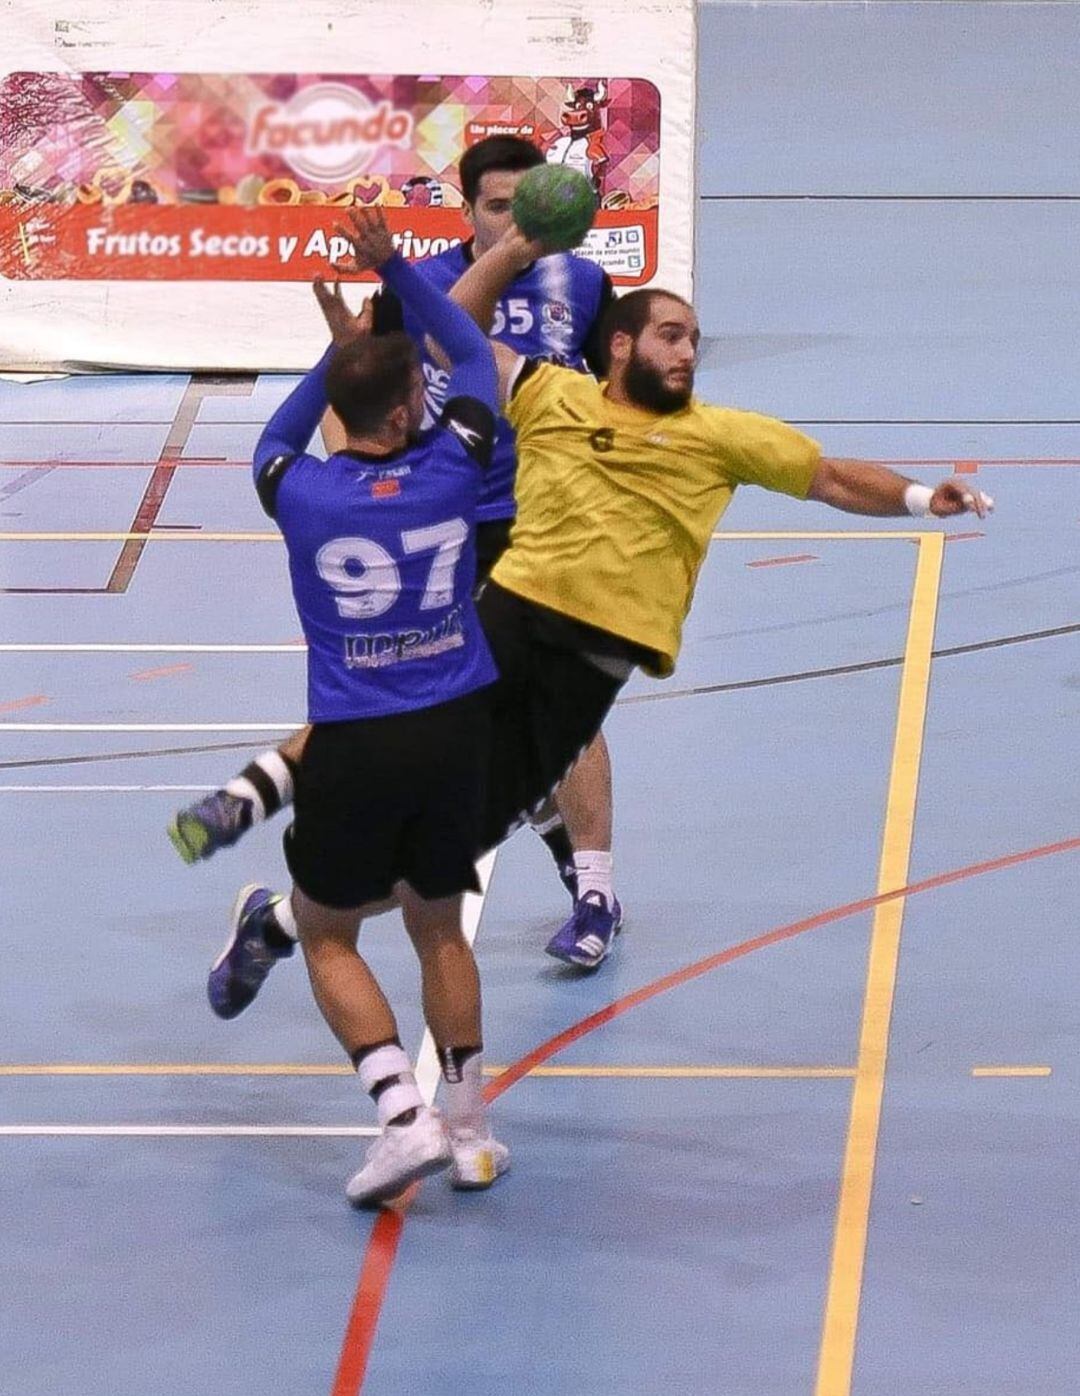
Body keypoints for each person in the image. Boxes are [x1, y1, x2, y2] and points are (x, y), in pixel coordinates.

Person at [214, 208, 994, 1031]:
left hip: (594, 666)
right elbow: (462, 335)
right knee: (406, 782)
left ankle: (276, 923)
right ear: (620, 346)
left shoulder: (726, 437)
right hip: (512, 618)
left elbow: (831, 478)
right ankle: (269, 805)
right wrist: (449, 264)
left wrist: (916, 496)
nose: (688, 351)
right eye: (670, 334)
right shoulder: (554, 394)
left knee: (432, 863)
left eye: (694, 338)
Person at [169, 135, 626, 960]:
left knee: (561, 713)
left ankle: (594, 891)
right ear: (468, 212)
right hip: (444, 530)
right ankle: (277, 890)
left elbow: (613, 407)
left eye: (530, 206)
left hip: (551, 524)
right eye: (499, 207)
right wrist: (349, 495)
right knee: (421, 712)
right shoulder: (419, 291)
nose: (515, 223)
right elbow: (362, 391)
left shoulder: (586, 285)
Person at [216, 211, 520, 1206]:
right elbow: (470, 348)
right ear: (409, 413)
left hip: (356, 738)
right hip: (457, 730)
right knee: (442, 925)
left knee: (325, 927)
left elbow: (273, 436)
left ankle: (402, 1119)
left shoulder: (299, 493)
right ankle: (471, 1130)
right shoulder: (455, 463)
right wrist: (393, 262)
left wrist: (336, 351)